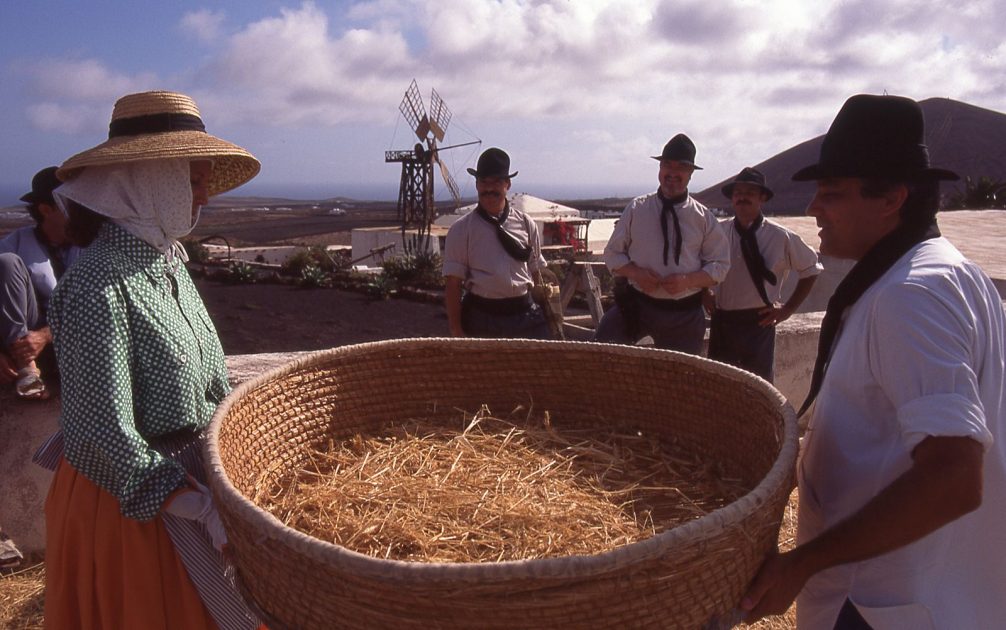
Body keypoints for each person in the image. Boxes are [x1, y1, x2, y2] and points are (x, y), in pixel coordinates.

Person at [742, 95, 1006, 628]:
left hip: (882, 603)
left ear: (891, 199)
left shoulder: (912, 295)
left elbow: (954, 476)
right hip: (934, 591)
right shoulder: (952, 273)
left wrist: (803, 564)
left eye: (831, 193)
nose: (815, 207)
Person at [37, 90, 264, 629]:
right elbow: (99, 432)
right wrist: (196, 507)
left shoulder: (167, 262)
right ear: (144, 180)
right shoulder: (98, 285)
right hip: (132, 507)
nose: (204, 195)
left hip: (187, 489)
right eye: (193, 179)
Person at [595, 134, 730, 354]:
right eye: (668, 165)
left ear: (691, 173)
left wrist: (688, 280)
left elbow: (721, 265)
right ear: (660, 168)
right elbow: (612, 254)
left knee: (681, 379)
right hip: (635, 306)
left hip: (684, 316)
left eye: (682, 167)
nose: (673, 173)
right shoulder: (637, 209)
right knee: (601, 353)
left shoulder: (703, 218)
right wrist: (637, 274)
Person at [703, 167, 821, 382]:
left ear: (762, 198)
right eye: (738, 193)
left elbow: (811, 269)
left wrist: (787, 310)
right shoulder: (717, 233)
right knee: (719, 387)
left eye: (749, 193)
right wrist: (703, 292)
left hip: (758, 323)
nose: (742, 198)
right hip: (722, 322)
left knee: (758, 390)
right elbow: (698, 263)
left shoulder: (781, 236)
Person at [442, 147, 552, 339]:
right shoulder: (461, 230)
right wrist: (456, 331)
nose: (489, 188)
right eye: (484, 182)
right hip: (482, 320)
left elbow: (537, 273)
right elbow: (453, 284)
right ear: (476, 184)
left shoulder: (527, 224)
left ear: (507, 184)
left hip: (526, 318)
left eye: (496, 182)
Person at [0, 166, 80, 399]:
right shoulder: (15, 243)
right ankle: (28, 370)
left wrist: (47, 335)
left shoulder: (90, 245)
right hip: (25, 342)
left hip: (77, 340)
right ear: (46, 209)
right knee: (7, 263)